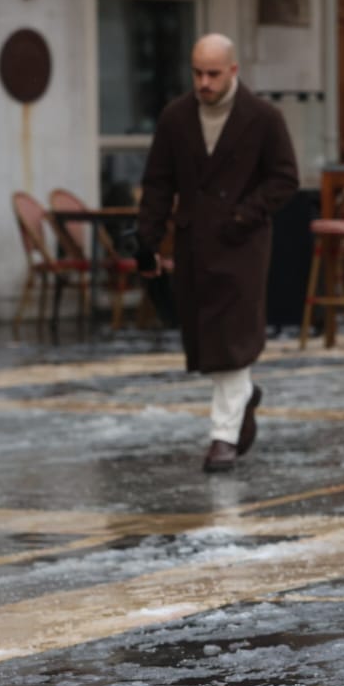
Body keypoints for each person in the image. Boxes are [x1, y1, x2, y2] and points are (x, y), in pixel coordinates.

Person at [136, 33, 299, 473]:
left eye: (212, 73)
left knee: (232, 336)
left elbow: (285, 179)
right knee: (208, 337)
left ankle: (223, 437)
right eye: (197, 72)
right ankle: (243, 397)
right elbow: (157, 183)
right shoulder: (176, 117)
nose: (203, 82)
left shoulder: (262, 117)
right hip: (193, 242)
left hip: (242, 243)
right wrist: (146, 241)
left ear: (233, 70)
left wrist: (246, 213)